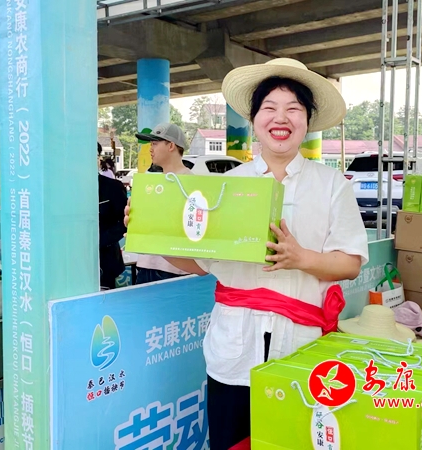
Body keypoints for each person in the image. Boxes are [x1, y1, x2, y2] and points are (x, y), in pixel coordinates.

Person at [125, 58, 369, 449]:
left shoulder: (331, 185)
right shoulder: (227, 185)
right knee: (230, 441)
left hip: (302, 349)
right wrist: (149, 231)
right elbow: (200, 264)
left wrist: (300, 257)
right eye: (269, 108)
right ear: (254, 120)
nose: (281, 118)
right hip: (232, 352)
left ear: (307, 120)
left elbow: (350, 263)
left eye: (293, 109)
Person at [133, 123, 193, 284]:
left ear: (171, 146)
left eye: (154, 143)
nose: (150, 149)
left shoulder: (191, 183)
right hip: (146, 264)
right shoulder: (152, 183)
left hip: (174, 270)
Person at [98, 143, 128, 290]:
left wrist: (101, 240)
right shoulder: (67, 189)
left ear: (98, 159)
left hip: (106, 260)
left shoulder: (113, 187)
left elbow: (125, 221)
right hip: (73, 260)